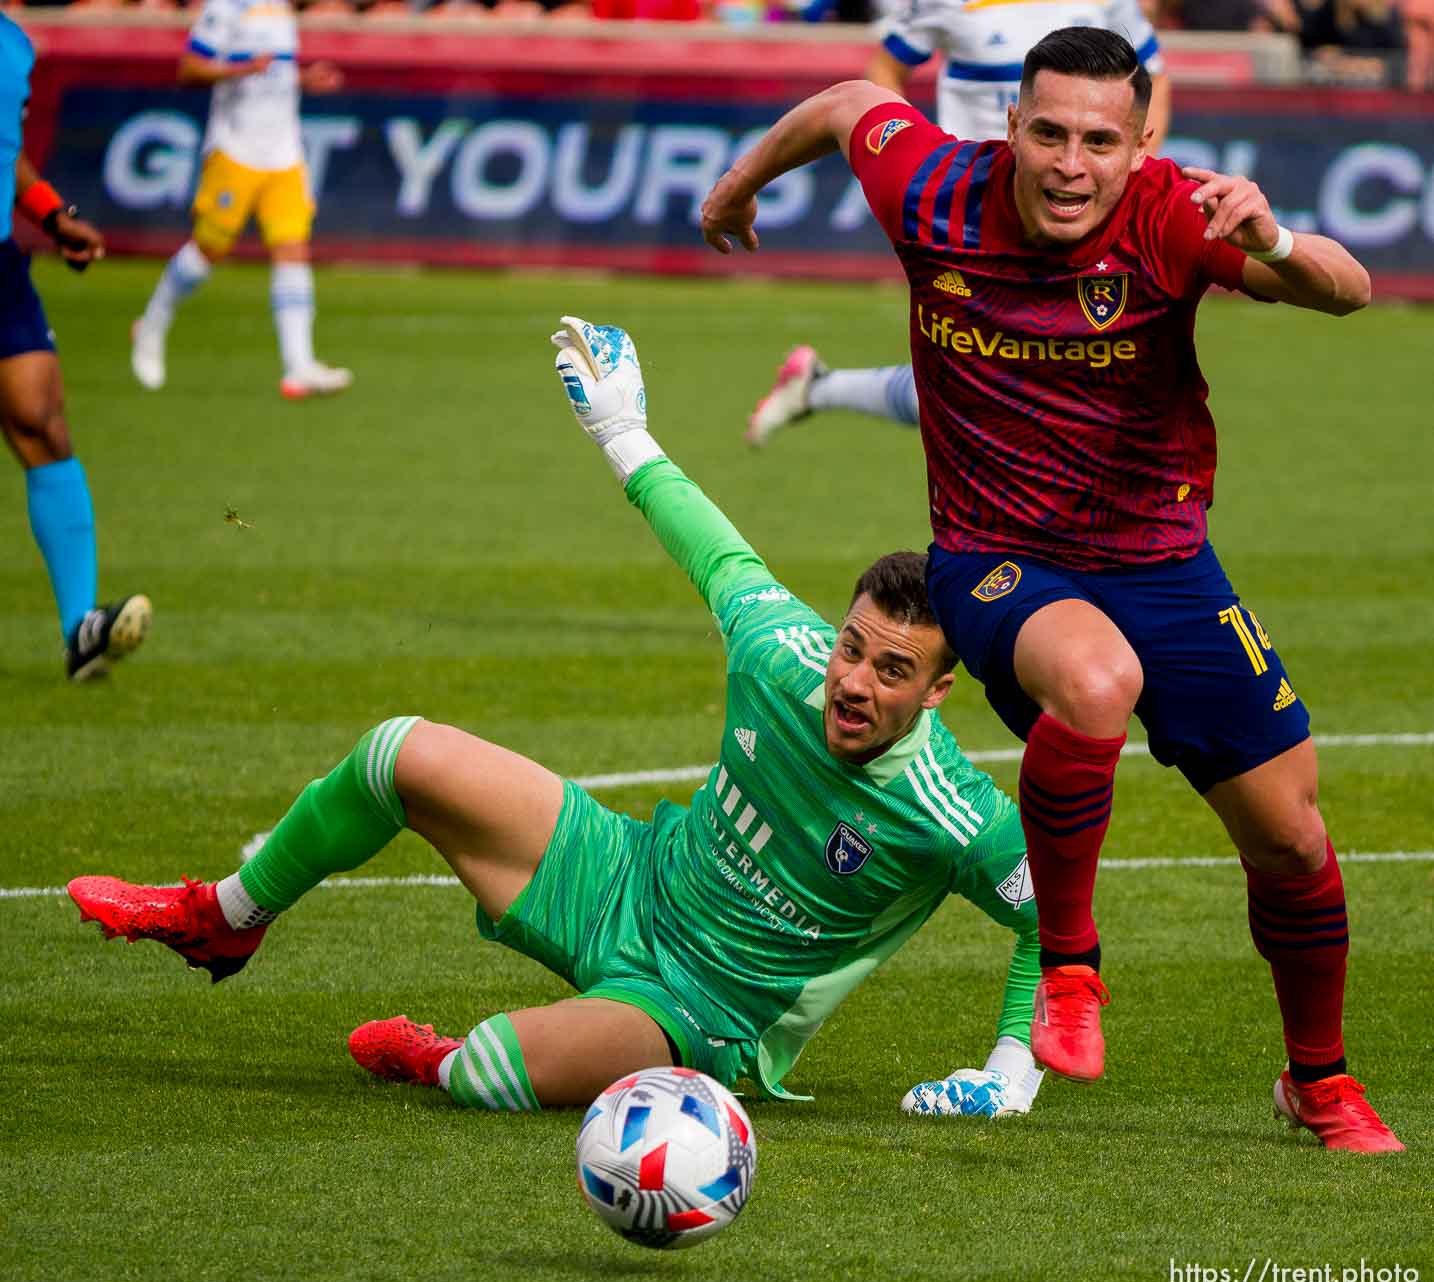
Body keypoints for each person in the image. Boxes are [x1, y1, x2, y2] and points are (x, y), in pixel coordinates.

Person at [698, 27, 1402, 1152]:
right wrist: (738, 185)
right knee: (1095, 678)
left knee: (1293, 841)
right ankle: (1071, 966)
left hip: (1164, 557)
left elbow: (1350, 289)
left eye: (1100, 141)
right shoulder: (931, 185)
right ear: (1011, 128)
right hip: (994, 555)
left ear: (1140, 146)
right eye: (1052, 134)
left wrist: (1272, 236)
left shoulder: (1173, 214)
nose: (1072, 164)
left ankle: (1318, 1080)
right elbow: (842, 103)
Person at [69, 316, 1044, 1119]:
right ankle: (224, 918)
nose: (855, 681)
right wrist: (621, 428)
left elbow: (1058, 922)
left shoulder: (950, 806)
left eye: (892, 669)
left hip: (699, 1009)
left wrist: (1009, 1071)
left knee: (492, 1071)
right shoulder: (784, 652)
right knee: (398, 753)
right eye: (852, 648)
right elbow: (711, 544)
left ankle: (439, 1054)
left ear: (936, 690)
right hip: (623, 874)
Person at [744, 0, 1169, 449]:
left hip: (1073, 203)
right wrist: (917, 159)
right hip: (976, 217)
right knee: (991, 380)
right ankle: (817, 388)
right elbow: (884, 70)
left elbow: (1154, 75)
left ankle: (816, 387)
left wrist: (1130, 172)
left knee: (1004, 379)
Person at [2, 12, 151, 681]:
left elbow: (5, 147)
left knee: (42, 419)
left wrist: (51, 214)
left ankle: (80, 630)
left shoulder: (14, 40)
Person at [129, 0, 351, 400]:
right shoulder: (226, 7)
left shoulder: (282, 9)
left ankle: (299, 365)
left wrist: (302, 79)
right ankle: (152, 323)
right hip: (235, 148)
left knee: (292, 249)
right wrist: (242, 69)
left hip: (284, 151)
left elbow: (274, 72)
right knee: (210, 248)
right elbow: (190, 69)